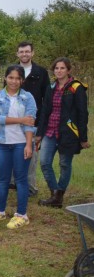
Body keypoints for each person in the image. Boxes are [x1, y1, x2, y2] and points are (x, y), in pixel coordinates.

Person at [0, 65, 36, 229]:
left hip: (21, 143)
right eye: (11, 77)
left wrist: (28, 145)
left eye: (17, 78)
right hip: (2, 143)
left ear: (22, 80)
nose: (14, 81)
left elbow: (30, 124)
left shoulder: (28, 97)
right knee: (3, 179)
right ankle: (0, 211)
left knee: (21, 179)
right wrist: (20, 120)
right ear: (5, 78)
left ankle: (22, 215)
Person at [37, 57, 89, 208]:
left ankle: (58, 196)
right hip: (50, 131)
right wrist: (40, 132)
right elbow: (45, 110)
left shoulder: (76, 87)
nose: (59, 71)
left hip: (68, 132)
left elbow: (82, 113)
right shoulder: (51, 87)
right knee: (45, 162)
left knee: (64, 164)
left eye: (62, 68)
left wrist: (83, 137)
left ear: (68, 70)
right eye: (56, 68)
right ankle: (55, 193)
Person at [16, 41, 50, 196]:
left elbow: (46, 100)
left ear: (32, 53)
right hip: (14, 120)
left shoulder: (41, 72)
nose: (24, 54)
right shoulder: (13, 71)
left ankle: (30, 187)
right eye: (21, 52)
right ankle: (13, 183)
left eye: (27, 51)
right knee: (14, 151)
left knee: (31, 155)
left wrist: (41, 128)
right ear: (17, 54)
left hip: (33, 121)